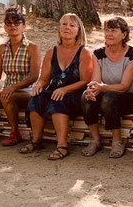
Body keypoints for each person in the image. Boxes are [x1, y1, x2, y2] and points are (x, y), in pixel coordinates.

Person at [21, 13, 92, 160]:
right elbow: (44, 79)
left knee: (58, 100)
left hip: (74, 93)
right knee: (36, 98)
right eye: (64, 24)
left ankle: (62, 146)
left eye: (72, 25)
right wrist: (38, 86)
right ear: (59, 28)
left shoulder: (84, 52)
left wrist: (65, 89)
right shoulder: (51, 52)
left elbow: (85, 80)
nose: (67, 28)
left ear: (78, 31)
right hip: (55, 91)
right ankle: (36, 141)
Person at [0, 7, 41, 146]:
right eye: (8, 23)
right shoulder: (2, 48)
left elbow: (34, 76)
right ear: (4, 27)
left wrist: (14, 87)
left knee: (7, 95)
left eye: (17, 22)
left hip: (27, 92)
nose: (13, 26)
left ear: (24, 26)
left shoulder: (32, 48)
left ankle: (15, 133)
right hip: (8, 90)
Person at [81, 17, 133, 158]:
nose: (109, 34)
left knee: (108, 97)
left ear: (124, 34)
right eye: (106, 30)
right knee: (85, 96)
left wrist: (101, 88)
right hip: (106, 92)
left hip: (128, 97)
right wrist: (92, 90)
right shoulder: (98, 54)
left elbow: (124, 86)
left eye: (113, 31)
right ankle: (95, 140)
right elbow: (95, 81)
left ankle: (117, 141)